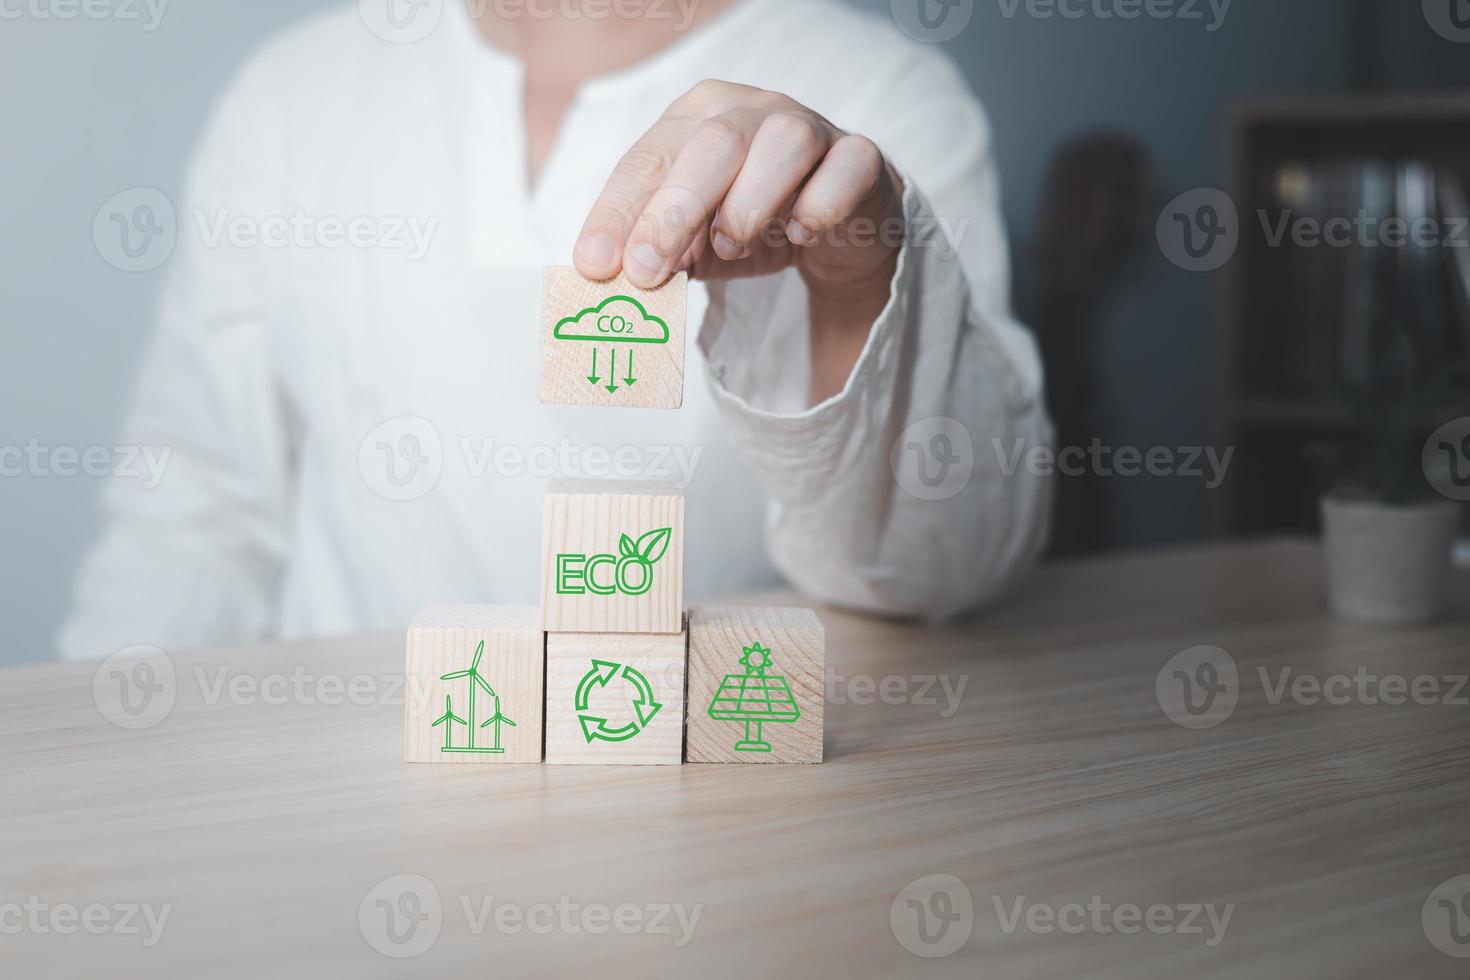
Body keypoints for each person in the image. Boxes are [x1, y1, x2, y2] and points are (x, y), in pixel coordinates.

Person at [57, 0, 1052, 659]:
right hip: (338, 805)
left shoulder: (876, 93)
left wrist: (853, 286)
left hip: (712, 809)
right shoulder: (289, 94)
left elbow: (947, 574)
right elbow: (192, 511)